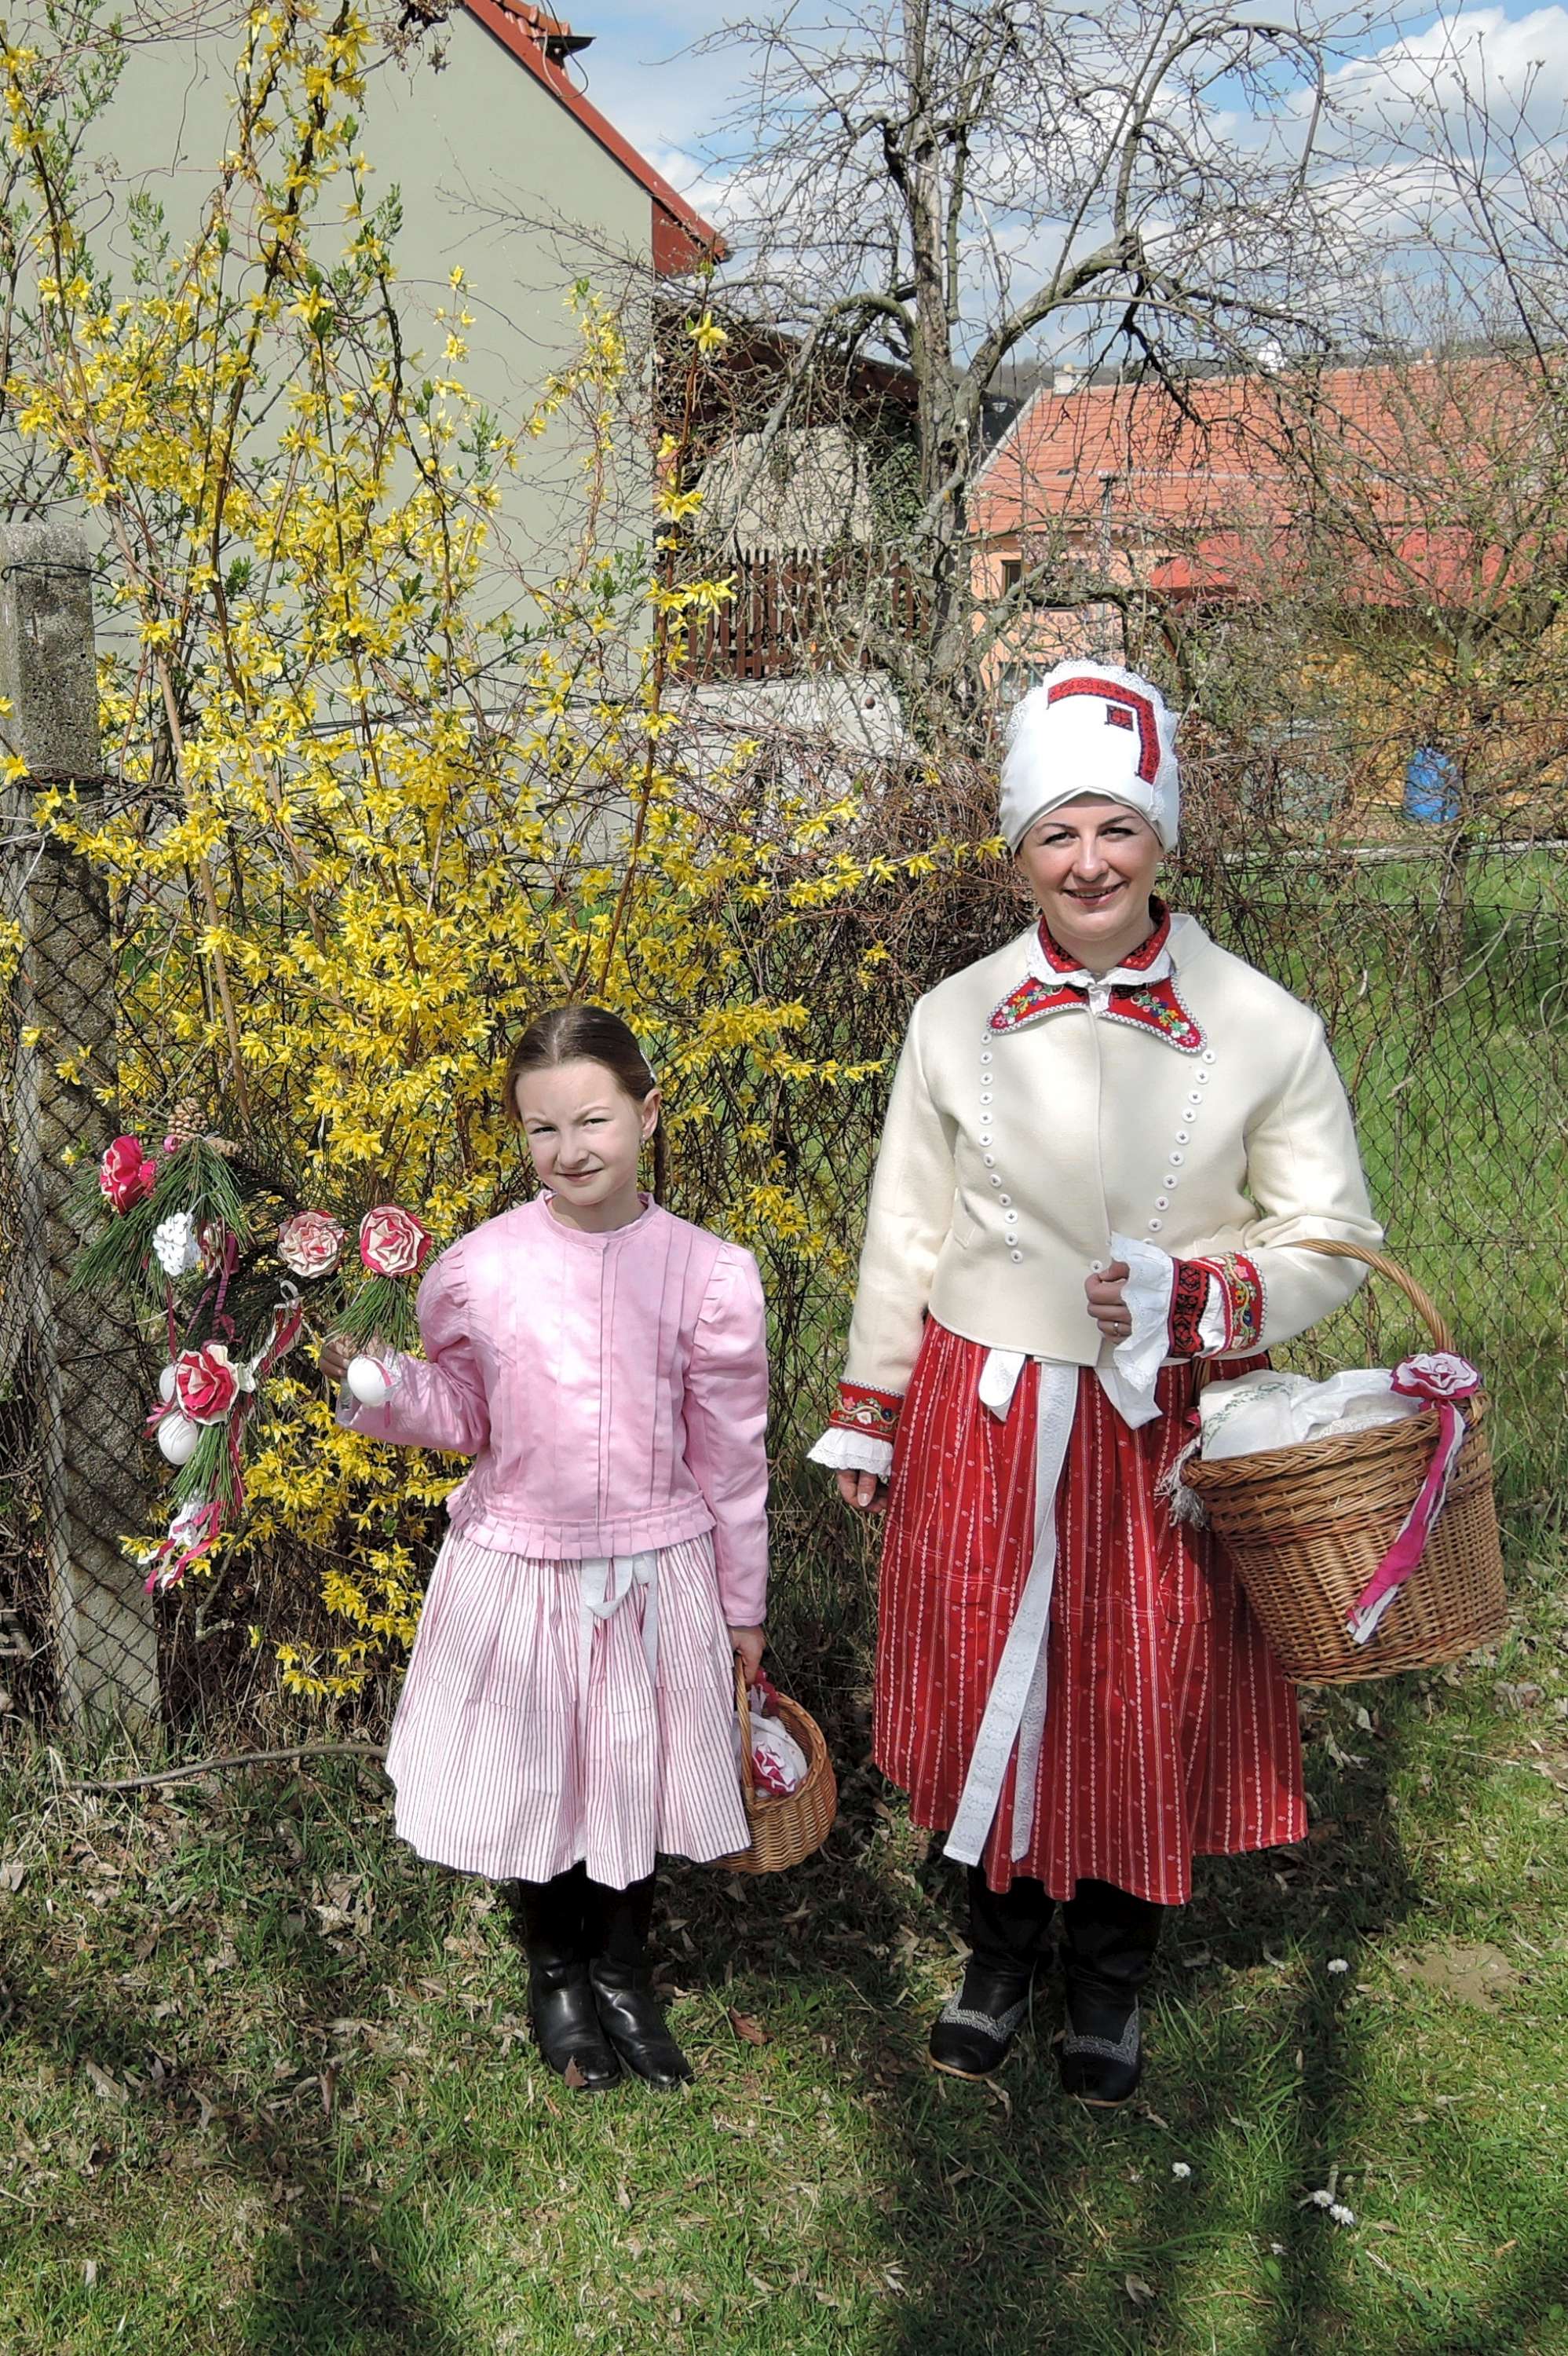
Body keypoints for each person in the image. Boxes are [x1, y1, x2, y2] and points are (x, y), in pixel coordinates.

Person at [809, 660, 1382, 2103]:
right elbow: (905, 1228)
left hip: (1163, 1417)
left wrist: (1206, 1296)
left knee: (1141, 1679)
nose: (1087, 863)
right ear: (1017, 847)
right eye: (1056, 831)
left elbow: (1333, 1235)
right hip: (985, 1405)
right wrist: (872, 1406)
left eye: (1116, 827)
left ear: (1160, 838)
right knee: (988, 1668)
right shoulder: (952, 1017)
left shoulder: (1263, 1024)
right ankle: (999, 1955)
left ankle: (1111, 1979)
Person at [322, 1005, 768, 2094]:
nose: (571, 1150)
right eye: (542, 1129)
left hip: (654, 1567)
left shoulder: (707, 1274)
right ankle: (557, 1976)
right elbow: (466, 1410)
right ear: (520, 1135)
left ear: (647, 1114)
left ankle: (623, 1972)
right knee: (541, 1772)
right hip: (521, 1563)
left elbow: (731, 1455)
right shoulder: (483, 1269)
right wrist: (381, 1386)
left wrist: (742, 1605)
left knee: (631, 1769)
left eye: (594, 1120)